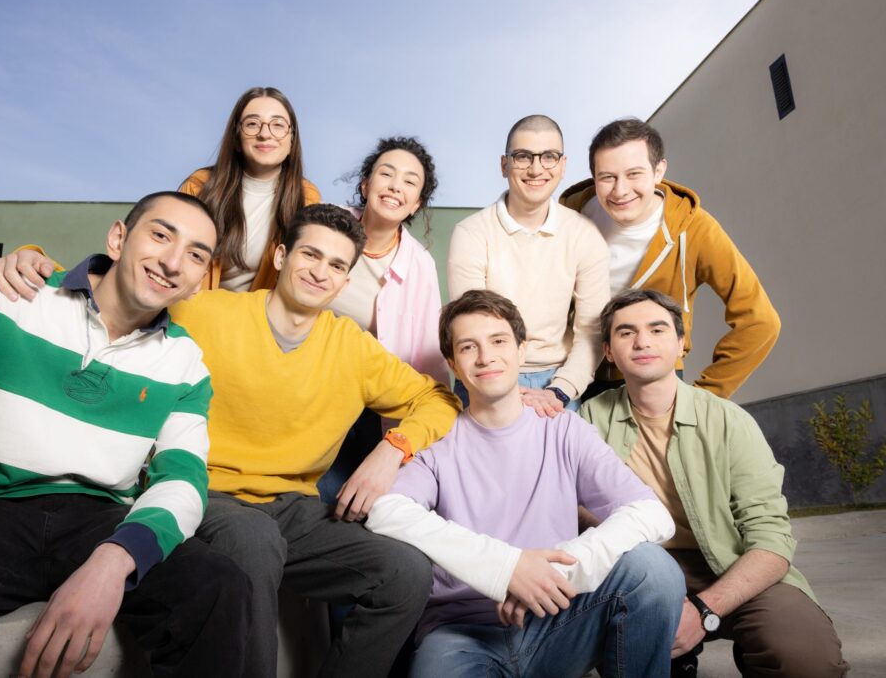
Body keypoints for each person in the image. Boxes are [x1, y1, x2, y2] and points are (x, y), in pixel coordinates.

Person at [0, 203, 461, 678]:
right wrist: (30, 257)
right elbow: (117, 289)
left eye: (336, 266)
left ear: (346, 280)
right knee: (253, 538)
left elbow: (439, 398)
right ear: (280, 256)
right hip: (206, 494)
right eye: (310, 255)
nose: (320, 272)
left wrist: (392, 449)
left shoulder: (353, 348)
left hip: (294, 509)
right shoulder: (207, 312)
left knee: (405, 572)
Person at [0, 192, 251, 678]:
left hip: (101, 518)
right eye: (160, 235)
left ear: (198, 282)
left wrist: (115, 560)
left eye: (195, 255)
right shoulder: (11, 295)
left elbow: (183, 479)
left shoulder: (186, 364)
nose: (173, 262)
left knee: (219, 588)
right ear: (118, 238)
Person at [365, 289, 682, 677]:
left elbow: (651, 514)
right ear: (452, 363)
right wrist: (506, 569)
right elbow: (385, 511)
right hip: (461, 634)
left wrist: (553, 574)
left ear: (521, 350)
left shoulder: (563, 429)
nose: (486, 357)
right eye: (468, 347)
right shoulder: (437, 441)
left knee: (652, 569)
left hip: (557, 620)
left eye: (498, 341)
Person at [579, 289, 847, 677]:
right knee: (630, 655)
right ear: (608, 351)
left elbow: (772, 538)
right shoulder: (588, 420)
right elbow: (567, 508)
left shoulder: (728, 420)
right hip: (638, 571)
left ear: (681, 343)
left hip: (730, 564)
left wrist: (704, 609)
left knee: (806, 661)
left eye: (657, 329)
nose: (642, 342)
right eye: (626, 332)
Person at [561, 118, 780, 400]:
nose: (620, 190)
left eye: (634, 174)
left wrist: (705, 397)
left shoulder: (695, 228)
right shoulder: (571, 217)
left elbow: (761, 321)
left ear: (659, 171)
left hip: (657, 377)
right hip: (576, 378)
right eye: (607, 177)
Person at [448, 115, 610, 416]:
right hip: (485, 372)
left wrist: (561, 389)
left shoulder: (585, 235)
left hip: (560, 379)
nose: (536, 169)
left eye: (549, 157)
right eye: (523, 156)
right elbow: (471, 327)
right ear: (504, 165)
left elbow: (591, 331)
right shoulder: (471, 233)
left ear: (562, 165)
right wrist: (502, 390)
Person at [319, 136, 449, 502]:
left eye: (409, 181)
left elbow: (430, 359)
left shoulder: (420, 263)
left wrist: (423, 429)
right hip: (313, 390)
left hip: (374, 406)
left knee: (363, 504)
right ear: (365, 185)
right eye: (386, 174)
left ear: (417, 203)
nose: (395, 186)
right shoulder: (325, 224)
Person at [178, 85, 321, 292]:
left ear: (292, 139)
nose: (265, 134)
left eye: (278, 125)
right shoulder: (199, 185)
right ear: (236, 137)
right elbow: (176, 257)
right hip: (192, 303)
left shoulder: (306, 196)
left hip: (259, 310)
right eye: (252, 124)